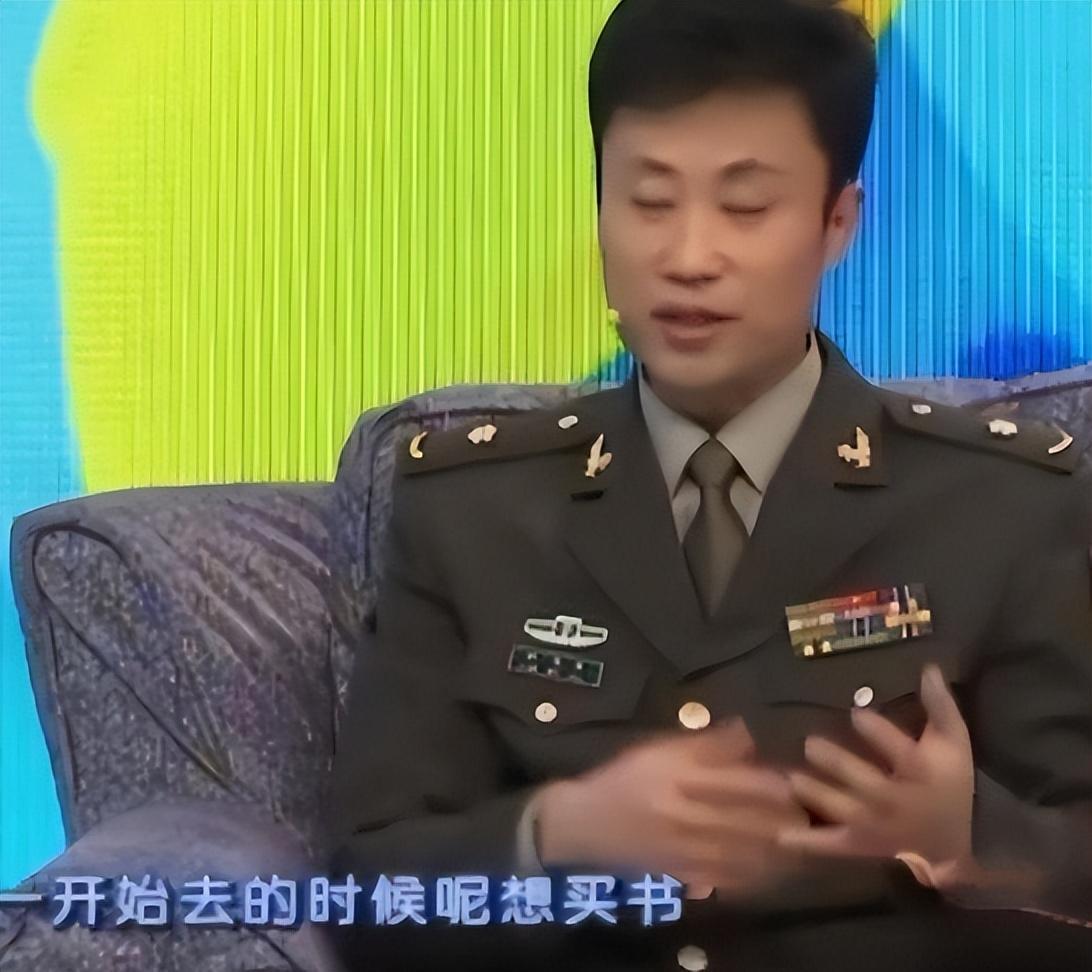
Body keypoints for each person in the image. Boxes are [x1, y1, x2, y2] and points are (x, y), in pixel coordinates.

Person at [325, 1, 1092, 969]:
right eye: (649, 202)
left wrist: (975, 839)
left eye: (746, 207)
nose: (688, 259)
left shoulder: (1003, 507)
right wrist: (555, 836)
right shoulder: (468, 514)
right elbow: (364, 891)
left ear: (838, 222)